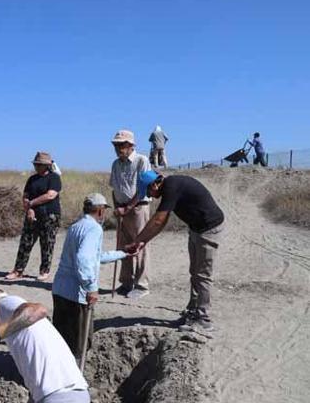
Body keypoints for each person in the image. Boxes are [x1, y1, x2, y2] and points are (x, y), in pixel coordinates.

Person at [126, 171, 225, 331]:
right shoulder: (169, 188)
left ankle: (204, 319)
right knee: (194, 272)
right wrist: (142, 242)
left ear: (155, 184)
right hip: (196, 228)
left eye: (149, 191)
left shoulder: (171, 187)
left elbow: (158, 220)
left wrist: (137, 241)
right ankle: (193, 311)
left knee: (203, 275)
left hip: (209, 229)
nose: (150, 196)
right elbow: (161, 222)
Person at [51, 193, 132, 356]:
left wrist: (123, 253)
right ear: (101, 211)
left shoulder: (76, 226)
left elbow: (94, 256)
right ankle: (74, 379)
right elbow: (84, 259)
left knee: (61, 341)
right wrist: (91, 288)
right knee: (79, 345)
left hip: (60, 290)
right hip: (76, 295)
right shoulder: (94, 229)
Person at [5, 151, 62, 282]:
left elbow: (51, 195)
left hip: (50, 215)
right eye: (36, 164)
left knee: (47, 243)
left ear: (46, 165)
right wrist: (29, 208)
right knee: (26, 242)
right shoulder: (32, 179)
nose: (37, 166)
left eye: (39, 164)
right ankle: (18, 270)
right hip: (32, 215)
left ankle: (44, 270)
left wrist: (32, 203)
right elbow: (25, 196)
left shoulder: (54, 178)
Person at [109, 129, 152, 299]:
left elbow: (143, 187)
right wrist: (117, 208)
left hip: (138, 208)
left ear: (131, 145)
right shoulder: (115, 164)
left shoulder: (142, 160)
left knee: (140, 245)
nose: (118, 148)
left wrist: (128, 207)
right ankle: (126, 282)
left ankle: (142, 285)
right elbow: (114, 187)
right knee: (124, 246)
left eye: (122, 144)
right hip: (121, 209)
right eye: (116, 145)